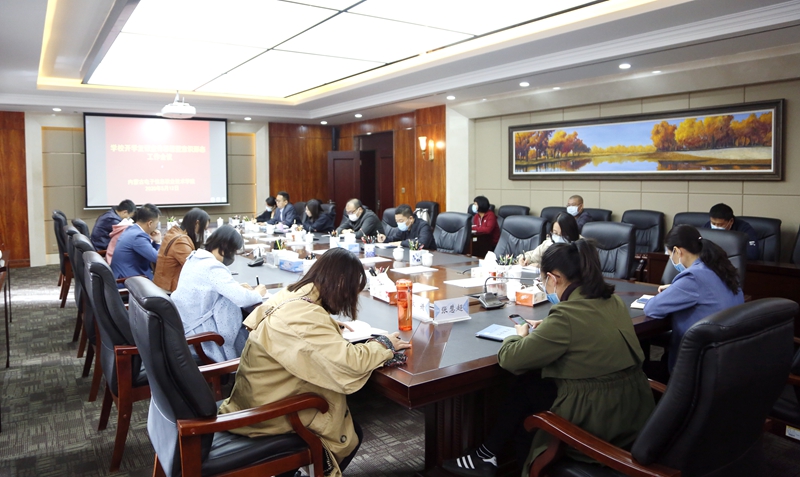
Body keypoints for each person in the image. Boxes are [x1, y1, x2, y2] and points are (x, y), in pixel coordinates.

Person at [444, 240, 654, 477]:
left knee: (525, 387)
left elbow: (511, 359)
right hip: (635, 410)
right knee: (532, 384)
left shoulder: (566, 316)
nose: (543, 285)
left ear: (554, 278)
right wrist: (549, 327)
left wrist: (518, 335)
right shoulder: (612, 301)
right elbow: (589, 329)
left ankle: (489, 455)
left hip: (600, 418)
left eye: (542, 280)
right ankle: (488, 454)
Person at [218, 248, 411, 477]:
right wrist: (384, 344)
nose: (351, 299)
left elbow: (293, 326)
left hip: (257, 397)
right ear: (341, 283)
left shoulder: (292, 293)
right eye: (352, 292)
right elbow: (350, 363)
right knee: (351, 436)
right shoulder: (304, 315)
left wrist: (329, 325)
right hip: (268, 415)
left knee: (350, 429)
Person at [644, 224, 744, 372]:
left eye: (670, 254)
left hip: (696, 366)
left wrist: (679, 288)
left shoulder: (692, 277)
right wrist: (676, 288)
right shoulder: (720, 268)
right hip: (725, 360)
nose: (671, 258)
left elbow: (652, 308)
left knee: (644, 368)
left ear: (677, 251)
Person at [171, 225, 267, 363]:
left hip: (187, 328)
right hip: (202, 338)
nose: (232, 256)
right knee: (254, 335)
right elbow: (241, 298)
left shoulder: (195, 258)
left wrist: (236, 287)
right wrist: (257, 292)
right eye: (232, 251)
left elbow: (209, 288)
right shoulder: (212, 266)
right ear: (224, 246)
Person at [153, 208, 210, 292]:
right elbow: (194, 267)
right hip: (169, 290)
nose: (203, 233)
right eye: (203, 229)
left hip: (161, 285)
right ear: (197, 223)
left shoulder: (172, 232)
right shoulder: (180, 241)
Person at [110, 203, 162, 281]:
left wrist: (156, 242)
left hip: (125, 276)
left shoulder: (131, 229)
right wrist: (158, 242)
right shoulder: (138, 236)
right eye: (156, 224)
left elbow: (150, 253)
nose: (156, 227)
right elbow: (158, 259)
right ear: (150, 223)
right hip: (127, 281)